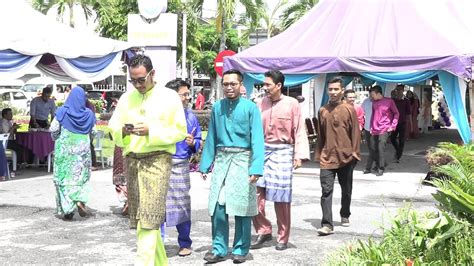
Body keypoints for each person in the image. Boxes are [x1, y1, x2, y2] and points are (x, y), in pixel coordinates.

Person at [108, 54, 187, 265]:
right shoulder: (126, 98)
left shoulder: (170, 97)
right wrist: (123, 131)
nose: (137, 85)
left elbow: (180, 131)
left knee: (150, 220)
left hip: (158, 160)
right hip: (132, 161)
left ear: (152, 74)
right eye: (133, 81)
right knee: (141, 220)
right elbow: (113, 129)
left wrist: (152, 131)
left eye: (141, 80)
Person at [199, 69, 264, 264]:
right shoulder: (217, 107)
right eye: (225, 84)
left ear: (241, 84)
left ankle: (241, 249)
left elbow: (258, 140)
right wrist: (205, 163)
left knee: (242, 208)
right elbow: (211, 136)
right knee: (218, 206)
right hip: (222, 160)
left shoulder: (251, 108)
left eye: (233, 84)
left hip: (243, 161)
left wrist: (256, 168)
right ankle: (219, 248)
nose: (228, 87)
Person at [250, 70, 309, 251]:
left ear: (278, 86)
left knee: (281, 198)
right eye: (264, 84)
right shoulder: (260, 103)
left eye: (268, 84)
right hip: (262, 151)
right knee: (253, 194)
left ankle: (283, 237)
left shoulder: (292, 104)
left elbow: (299, 129)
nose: (265, 88)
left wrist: (298, 155)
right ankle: (264, 229)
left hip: (283, 152)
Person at [315, 77, 361, 236]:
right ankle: (327, 224)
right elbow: (320, 135)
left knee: (346, 189)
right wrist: (318, 153)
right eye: (330, 89)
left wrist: (355, 153)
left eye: (336, 89)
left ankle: (345, 213)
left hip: (346, 157)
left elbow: (356, 132)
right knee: (326, 191)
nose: (333, 92)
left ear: (342, 91)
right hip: (327, 157)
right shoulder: (323, 110)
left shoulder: (349, 109)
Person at [163, 79, 202, 257]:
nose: (188, 98)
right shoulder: (159, 116)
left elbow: (198, 141)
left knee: (182, 204)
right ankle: (158, 242)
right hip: (160, 163)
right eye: (184, 94)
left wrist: (193, 143)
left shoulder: (190, 116)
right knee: (157, 205)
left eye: (188, 94)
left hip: (179, 164)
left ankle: (185, 242)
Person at [50, 87, 96, 220]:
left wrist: (57, 138)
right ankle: (79, 199)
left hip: (64, 152)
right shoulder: (88, 114)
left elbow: (53, 129)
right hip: (82, 153)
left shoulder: (62, 111)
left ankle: (68, 209)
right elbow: (93, 132)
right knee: (80, 177)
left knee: (64, 179)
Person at [367, 86, 399, 176]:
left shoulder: (389, 101)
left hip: (384, 128)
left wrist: (392, 126)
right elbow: (373, 115)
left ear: (378, 93)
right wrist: (371, 127)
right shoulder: (374, 102)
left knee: (381, 148)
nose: (371, 96)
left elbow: (396, 113)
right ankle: (380, 163)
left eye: (373, 94)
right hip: (374, 128)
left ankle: (381, 168)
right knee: (373, 148)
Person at [390, 85, 411, 163]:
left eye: (400, 90)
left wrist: (410, 123)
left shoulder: (406, 100)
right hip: (394, 123)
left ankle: (398, 157)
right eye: (397, 90)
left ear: (403, 91)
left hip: (403, 122)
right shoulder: (393, 100)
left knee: (402, 140)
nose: (398, 91)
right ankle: (398, 150)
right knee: (392, 138)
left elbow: (408, 113)